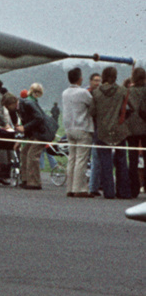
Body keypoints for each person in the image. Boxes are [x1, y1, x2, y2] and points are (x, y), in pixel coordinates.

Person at [90, 67, 130, 199]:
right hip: (119, 129)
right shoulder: (122, 91)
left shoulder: (96, 93)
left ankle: (108, 192)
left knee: (105, 162)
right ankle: (123, 191)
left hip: (102, 130)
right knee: (122, 161)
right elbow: (131, 107)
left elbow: (92, 112)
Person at [60, 67, 94, 198]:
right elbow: (92, 105)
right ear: (80, 78)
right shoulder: (83, 93)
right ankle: (79, 188)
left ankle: (70, 187)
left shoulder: (65, 92)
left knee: (72, 159)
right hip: (82, 127)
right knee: (81, 159)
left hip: (69, 128)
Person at [17, 82, 48, 189]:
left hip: (37, 133)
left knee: (29, 154)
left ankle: (32, 181)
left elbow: (36, 118)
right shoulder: (31, 102)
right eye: (35, 92)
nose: (36, 94)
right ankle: (29, 179)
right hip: (37, 132)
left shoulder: (28, 102)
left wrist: (25, 128)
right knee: (27, 153)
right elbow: (38, 118)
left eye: (38, 92)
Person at [125, 67, 146, 198]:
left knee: (132, 158)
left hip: (131, 127)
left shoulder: (128, 91)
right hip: (145, 126)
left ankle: (134, 188)